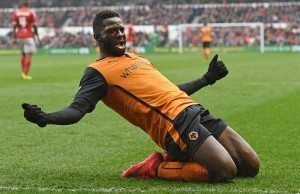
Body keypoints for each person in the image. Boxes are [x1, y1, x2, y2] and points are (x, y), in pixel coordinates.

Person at [22, 10, 259, 183]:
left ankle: (184, 157)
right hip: (172, 124)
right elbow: (76, 110)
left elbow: (171, 90)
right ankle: (155, 167)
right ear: (98, 38)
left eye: (121, 29)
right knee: (224, 171)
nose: (120, 35)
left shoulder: (138, 59)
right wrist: (46, 118)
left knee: (250, 165)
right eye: (111, 31)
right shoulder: (97, 72)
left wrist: (206, 78)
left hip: (193, 109)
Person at [12, 1, 40, 80]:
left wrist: (14, 38)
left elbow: (14, 26)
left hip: (19, 35)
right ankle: (25, 74)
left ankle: (22, 72)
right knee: (29, 54)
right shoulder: (31, 12)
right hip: (28, 35)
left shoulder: (16, 12)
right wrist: (37, 36)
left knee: (23, 54)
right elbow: (34, 26)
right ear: (29, 4)